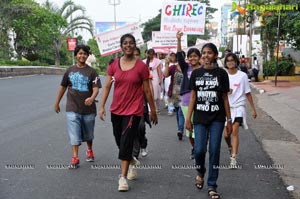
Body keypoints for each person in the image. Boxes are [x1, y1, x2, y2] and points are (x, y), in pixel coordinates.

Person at [99, 34, 158, 192]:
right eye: (125, 43)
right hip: (116, 109)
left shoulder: (141, 67)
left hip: (134, 110)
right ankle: (131, 160)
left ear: (134, 46)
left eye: (131, 43)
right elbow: (107, 87)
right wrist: (102, 106)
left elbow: (146, 90)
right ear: (121, 46)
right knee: (119, 140)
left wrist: (152, 110)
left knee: (125, 142)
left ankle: (123, 178)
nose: (128, 46)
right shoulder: (113, 65)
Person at [185, 43, 233, 199]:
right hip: (199, 118)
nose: (206, 56)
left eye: (209, 53)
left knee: (214, 150)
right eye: (203, 53)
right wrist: (188, 118)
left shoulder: (222, 74)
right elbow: (193, 96)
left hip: (217, 119)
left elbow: (225, 98)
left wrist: (229, 120)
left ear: (215, 56)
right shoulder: (196, 73)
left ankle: (212, 185)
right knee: (199, 150)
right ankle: (200, 170)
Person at [54, 44, 101, 169]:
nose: (82, 56)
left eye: (84, 54)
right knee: (74, 132)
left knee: (89, 133)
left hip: (88, 109)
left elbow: (96, 88)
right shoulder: (69, 71)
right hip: (72, 107)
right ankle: (75, 157)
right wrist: (57, 102)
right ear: (76, 55)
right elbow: (63, 87)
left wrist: (92, 98)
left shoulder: (92, 72)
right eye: (80, 53)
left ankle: (89, 149)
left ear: (87, 55)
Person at [223, 52, 257, 168]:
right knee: (226, 135)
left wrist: (253, 109)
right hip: (226, 108)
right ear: (226, 63)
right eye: (228, 60)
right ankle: (230, 147)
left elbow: (248, 93)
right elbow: (218, 92)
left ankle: (233, 158)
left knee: (234, 130)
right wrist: (226, 91)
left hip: (239, 106)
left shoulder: (242, 76)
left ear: (236, 61)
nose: (230, 62)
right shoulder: (223, 75)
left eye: (232, 60)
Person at [176, 31, 202, 159]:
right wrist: (179, 40)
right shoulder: (186, 68)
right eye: (190, 56)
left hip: (201, 101)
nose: (192, 58)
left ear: (199, 57)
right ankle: (194, 147)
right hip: (186, 101)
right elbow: (179, 56)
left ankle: (199, 148)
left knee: (199, 126)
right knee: (190, 128)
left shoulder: (203, 70)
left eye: (195, 56)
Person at [132, 47, 152, 158]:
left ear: (140, 56)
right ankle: (134, 152)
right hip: (128, 104)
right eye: (133, 54)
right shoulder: (124, 67)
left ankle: (143, 144)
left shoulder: (143, 68)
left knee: (140, 127)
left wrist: (151, 107)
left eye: (137, 54)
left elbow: (148, 89)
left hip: (141, 103)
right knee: (131, 129)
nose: (135, 57)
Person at [164, 53, 185, 140]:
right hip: (174, 93)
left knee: (180, 112)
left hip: (184, 93)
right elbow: (166, 75)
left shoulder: (187, 67)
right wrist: (166, 64)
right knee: (178, 112)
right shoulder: (173, 67)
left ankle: (180, 129)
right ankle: (179, 128)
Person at [144, 48, 163, 113]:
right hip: (147, 78)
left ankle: (156, 107)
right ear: (148, 54)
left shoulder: (157, 61)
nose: (151, 55)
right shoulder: (144, 61)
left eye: (152, 54)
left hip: (155, 78)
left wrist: (160, 79)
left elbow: (159, 71)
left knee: (156, 93)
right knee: (149, 93)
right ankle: (150, 108)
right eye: (150, 54)